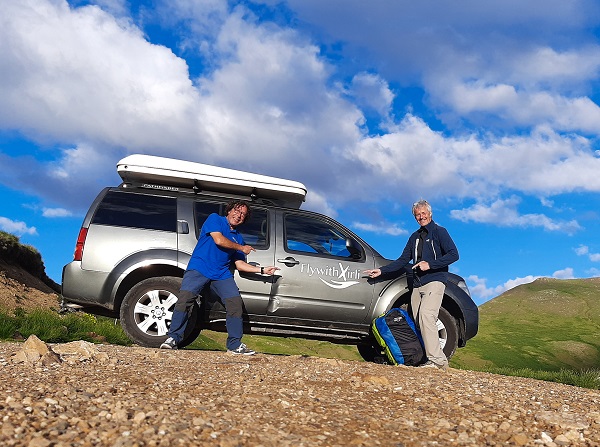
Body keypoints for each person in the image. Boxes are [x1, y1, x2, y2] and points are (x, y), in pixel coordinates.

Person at [160, 200, 279, 354]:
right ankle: (173, 338)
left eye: (243, 214)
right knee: (185, 300)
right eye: (237, 211)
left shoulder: (239, 238)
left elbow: (240, 265)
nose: (239, 215)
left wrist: (262, 270)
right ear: (229, 211)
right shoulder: (215, 219)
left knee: (235, 303)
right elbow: (219, 240)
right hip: (200, 267)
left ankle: (234, 345)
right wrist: (242, 248)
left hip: (221, 273)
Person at [364, 200, 458, 370]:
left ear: (430, 213)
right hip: (417, 284)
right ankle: (430, 360)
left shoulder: (439, 232)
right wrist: (381, 271)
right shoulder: (414, 237)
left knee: (427, 316)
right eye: (417, 214)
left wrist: (430, 264)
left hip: (435, 281)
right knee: (418, 321)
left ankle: (437, 361)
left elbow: (454, 254)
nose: (421, 217)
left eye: (423, 213)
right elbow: (402, 260)